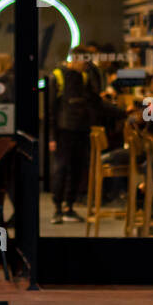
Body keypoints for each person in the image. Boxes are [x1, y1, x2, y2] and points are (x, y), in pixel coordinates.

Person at [49, 47, 98, 224]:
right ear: (76, 59)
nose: (87, 65)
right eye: (85, 61)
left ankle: (69, 207)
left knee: (77, 168)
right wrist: (52, 137)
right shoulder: (58, 76)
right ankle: (57, 208)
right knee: (61, 168)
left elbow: (93, 101)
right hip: (63, 131)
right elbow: (51, 109)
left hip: (81, 129)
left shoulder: (84, 77)